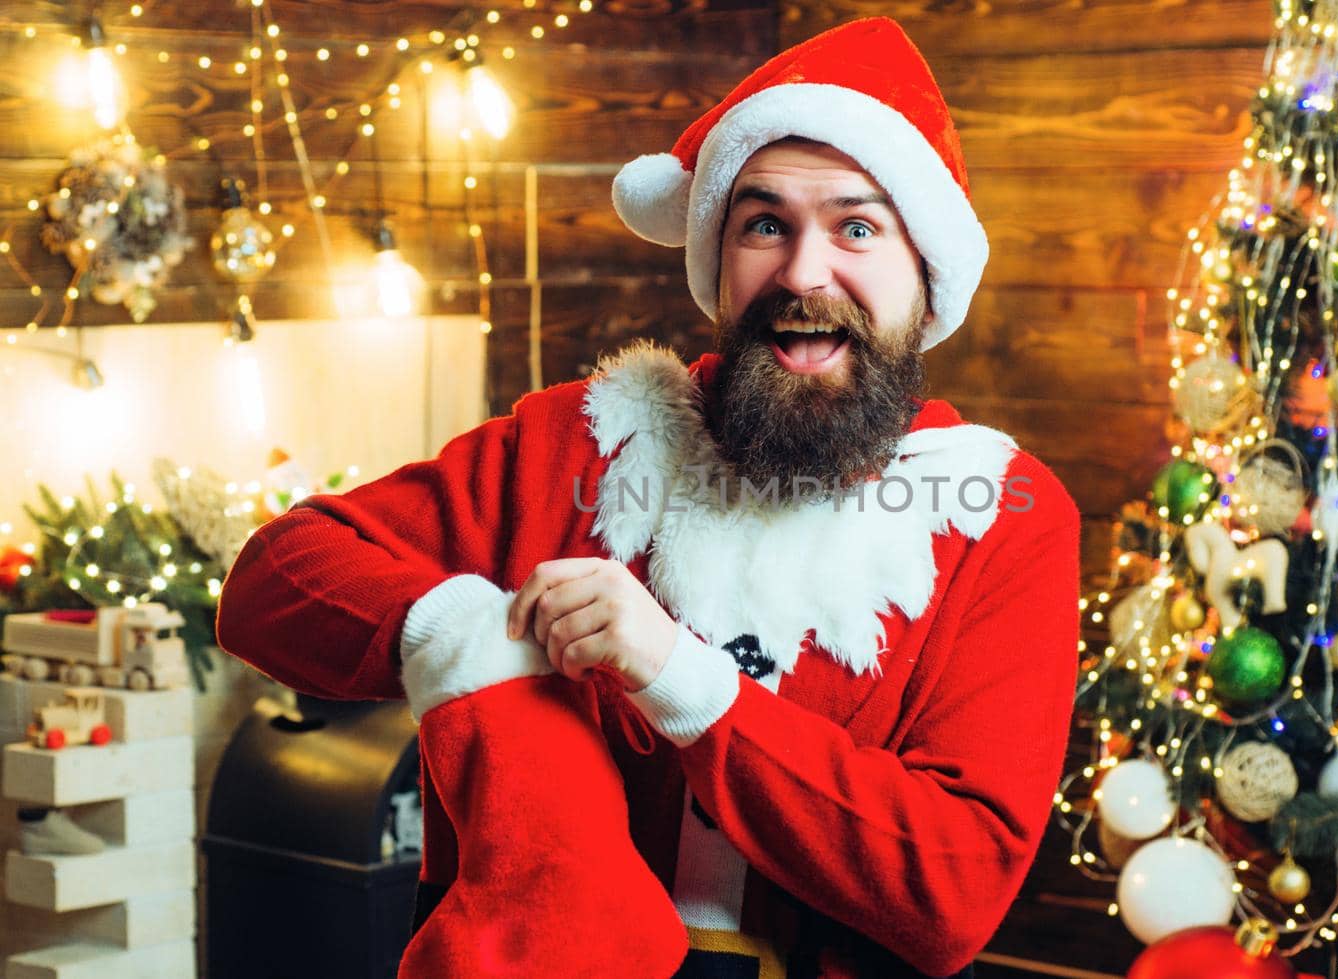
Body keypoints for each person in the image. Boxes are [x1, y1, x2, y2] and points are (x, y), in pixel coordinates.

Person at [216, 16, 1081, 979]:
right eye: (765, 224)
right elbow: (271, 580)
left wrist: (679, 677)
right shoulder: (581, 438)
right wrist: (478, 644)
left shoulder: (999, 515)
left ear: (925, 273)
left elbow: (950, 891)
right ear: (718, 259)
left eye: (858, 227)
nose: (803, 272)